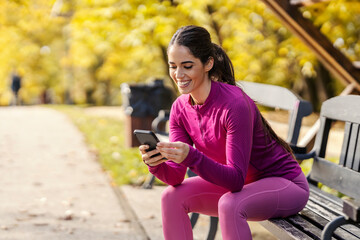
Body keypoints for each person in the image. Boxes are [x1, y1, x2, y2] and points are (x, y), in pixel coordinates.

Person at [139, 25, 309, 240]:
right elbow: (175, 176)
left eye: (187, 66)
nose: (178, 74)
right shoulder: (180, 108)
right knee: (171, 197)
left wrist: (192, 156)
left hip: (284, 186)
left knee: (230, 204)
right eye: (173, 66)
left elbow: (235, 180)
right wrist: (155, 163)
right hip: (243, 188)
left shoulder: (234, 104)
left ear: (208, 63)